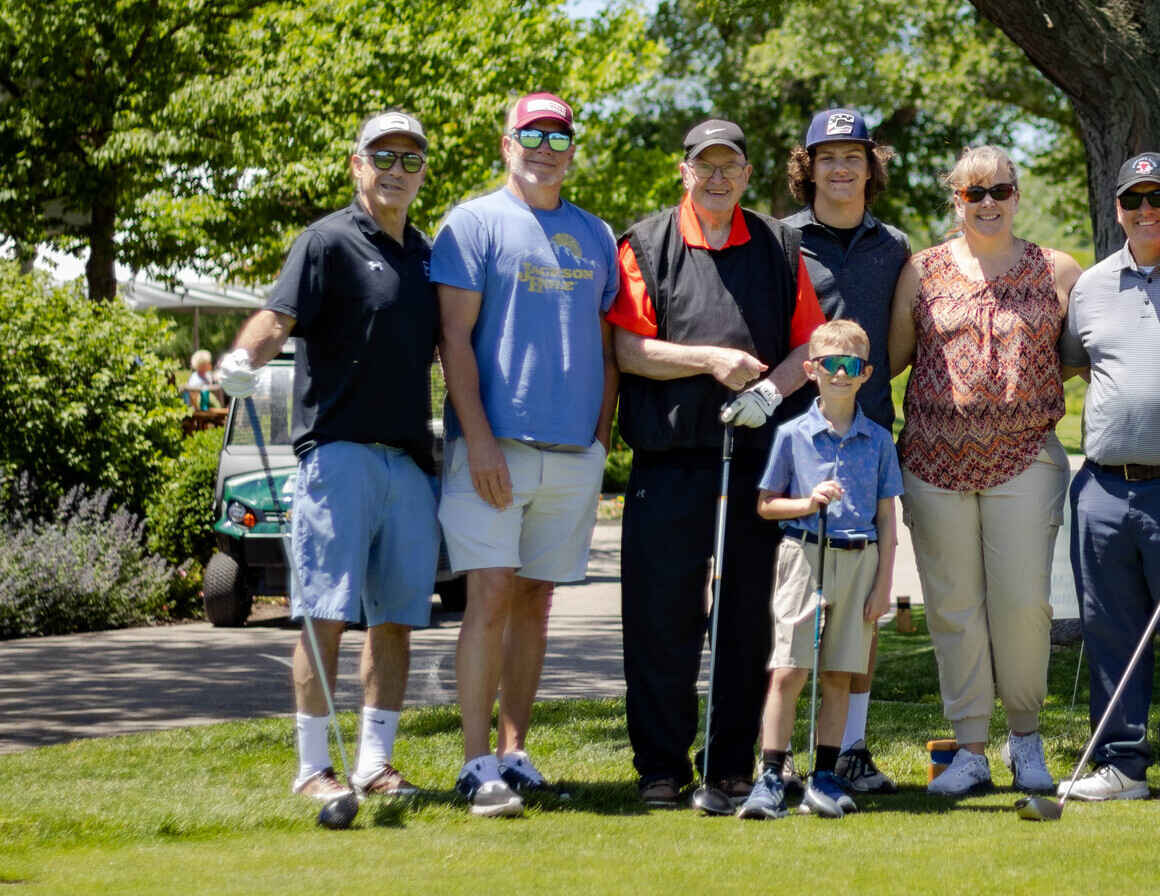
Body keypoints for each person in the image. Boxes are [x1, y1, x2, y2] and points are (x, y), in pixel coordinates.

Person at [215, 109, 439, 804]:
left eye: (409, 159)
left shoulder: (428, 254)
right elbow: (276, 317)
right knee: (324, 614)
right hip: (337, 455)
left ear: (422, 172)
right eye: (383, 156)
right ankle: (313, 767)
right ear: (357, 164)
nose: (395, 170)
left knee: (396, 618)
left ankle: (375, 763)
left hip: (409, 462)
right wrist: (242, 357)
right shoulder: (325, 242)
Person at [609, 118, 825, 807]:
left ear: (747, 174)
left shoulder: (780, 246)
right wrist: (709, 360)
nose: (717, 176)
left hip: (756, 459)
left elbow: (810, 346)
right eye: (705, 165)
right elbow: (630, 351)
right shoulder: (644, 244)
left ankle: (731, 764)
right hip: (669, 457)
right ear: (684, 172)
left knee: (746, 619)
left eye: (729, 165)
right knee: (660, 615)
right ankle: (661, 768)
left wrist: (769, 389)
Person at [429, 91, 620, 819]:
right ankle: (475, 764)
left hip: (573, 449)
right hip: (494, 448)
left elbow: (606, 346)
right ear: (506, 143)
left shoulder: (595, 233)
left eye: (558, 136)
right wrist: (477, 439)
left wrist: (600, 435)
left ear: (572, 149)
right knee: (490, 596)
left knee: (537, 602)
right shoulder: (473, 223)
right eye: (530, 134)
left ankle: (515, 753)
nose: (545, 147)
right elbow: (453, 338)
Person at [888, 145, 1081, 796]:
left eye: (1000, 189)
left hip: (1024, 457)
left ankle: (1025, 742)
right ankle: (969, 748)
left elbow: (1087, 356)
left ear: (1017, 194)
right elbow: (890, 357)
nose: (989, 203)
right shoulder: (920, 271)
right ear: (956, 201)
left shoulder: (1057, 271)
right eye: (974, 194)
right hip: (932, 461)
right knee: (952, 609)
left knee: (1023, 605)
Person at [1057, 152, 1160, 806]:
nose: (1145, 212)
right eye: (1132, 201)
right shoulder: (1093, 285)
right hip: (1101, 486)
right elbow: (1077, 368)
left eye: (1158, 198)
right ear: (1116, 208)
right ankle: (1122, 763)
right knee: (1109, 629)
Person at [778, 108, 910, 794]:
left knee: (861, 606)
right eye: (826, 157)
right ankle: (775, 755)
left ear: (869, 167)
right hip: (797, 439)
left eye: (852, 157)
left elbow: (899, 340)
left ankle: (849, 748)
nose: (839, 168)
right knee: (793, 612)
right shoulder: (780, 239)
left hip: (867, 437)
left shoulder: (894, 245)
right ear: (808, 167)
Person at [740, 319, 902, 819]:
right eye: (829, 364)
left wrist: (884, 587)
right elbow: (767, 505)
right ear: (811, 370)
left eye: (850, 366)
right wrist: (807, 502)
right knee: (788, 670)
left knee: (838, 674)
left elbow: (888, 522)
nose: (839, 373)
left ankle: (826, 776)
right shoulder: (792, 435)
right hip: (803, 555)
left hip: (860, 559)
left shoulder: (877, 440)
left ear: (865, 374)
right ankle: (769, 776)